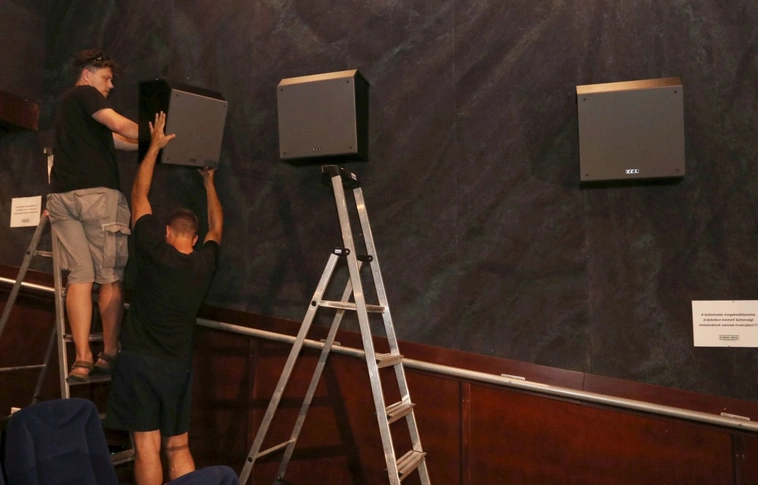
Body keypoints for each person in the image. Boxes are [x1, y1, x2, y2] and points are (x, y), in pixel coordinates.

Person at [106, 111, 223, 485]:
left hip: (140, 360)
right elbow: (218, 227)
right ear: (195, 238)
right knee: (178, 446)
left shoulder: (155, 250)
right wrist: (209, 184)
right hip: (177, 365)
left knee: (146, 447)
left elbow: (138, 196)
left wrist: (154, 147)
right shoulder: (204, 264)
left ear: (169, 232)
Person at [46, 49, 139, 382]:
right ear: (87, 74)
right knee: (110, 275)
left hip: (62, 198)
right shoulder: (86, 94)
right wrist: (154, 132)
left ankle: (82, 358)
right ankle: (109, 352)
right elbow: (120, 125)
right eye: (106, 78)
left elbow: (118, 140)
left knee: (80, 276)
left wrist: (151, 143)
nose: (110, 86)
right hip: (96, 196)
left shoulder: (68, 107)